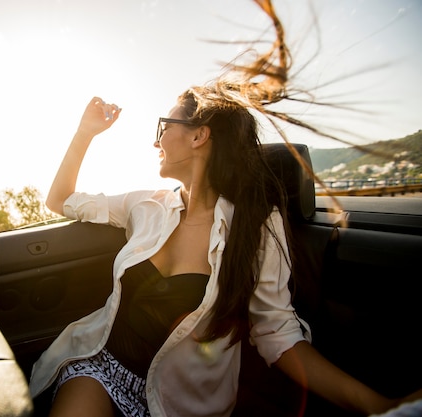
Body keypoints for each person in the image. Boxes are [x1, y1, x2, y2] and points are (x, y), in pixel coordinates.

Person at [28, 1, 422, 416]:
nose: (156, 141)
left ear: (199, 136)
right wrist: (85, 132)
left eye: (165, 127)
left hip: (181, 403)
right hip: (103, 368)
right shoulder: (144, 204)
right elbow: (60, 200)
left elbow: (277, 335)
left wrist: (379, 405)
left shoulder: (255, 226)